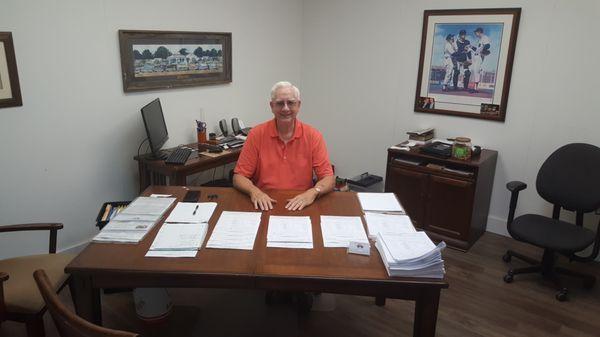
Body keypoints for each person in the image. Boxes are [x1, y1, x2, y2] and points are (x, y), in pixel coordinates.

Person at [233, 81, 335, 211]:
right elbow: (239, 177)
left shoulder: (313, 135)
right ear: (272, 106)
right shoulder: (256, 134)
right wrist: (255, 192)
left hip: (301, 203)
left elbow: (329, 178)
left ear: (298, 105)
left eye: (291, 103)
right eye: (280, 103)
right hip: (265, 202)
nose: (285, 108)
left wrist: (313, 192)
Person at [469, 27, 492, 93]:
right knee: (475, 70)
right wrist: (471, 47)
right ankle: (475, 88)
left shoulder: (485, 37)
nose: (475, 34)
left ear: (479, 32)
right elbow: (477, 49)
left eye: (476, 32)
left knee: (476, 70)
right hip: (476, 56)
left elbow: (488, 45)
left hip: (479, 56)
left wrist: (483, 50)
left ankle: (475, 88)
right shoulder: (479, 39)